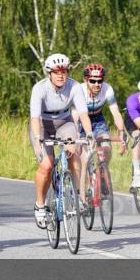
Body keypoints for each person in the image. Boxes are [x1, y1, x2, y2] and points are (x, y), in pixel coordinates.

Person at [29, 53, 94, 228]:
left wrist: (89, 134)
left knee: (72, 151)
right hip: (42, 125)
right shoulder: (40, 89)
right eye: (56, 72)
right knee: (47, 165)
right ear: (49, 74)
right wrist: (37, 138)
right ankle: (40, 206)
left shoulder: (74, 87)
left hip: (64, 123)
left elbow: (82, 114)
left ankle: (75, 193)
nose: (61, 75)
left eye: (64, 71)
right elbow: (34, 118)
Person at [75, 64, 128, 207]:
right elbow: (74, 115)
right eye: (93, 81)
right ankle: (82, 198)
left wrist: (122, 133)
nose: (97, 84)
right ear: (86, 80)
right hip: (80, 121)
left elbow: (115, 112)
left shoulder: (108, 89)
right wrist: (75, 137)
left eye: (100, 80)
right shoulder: (78, 90)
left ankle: (102, 175)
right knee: (84, 159)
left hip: (98, 120)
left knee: (106, 147)